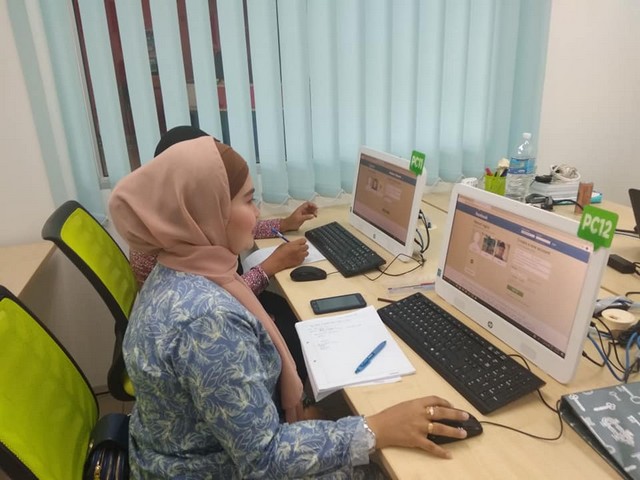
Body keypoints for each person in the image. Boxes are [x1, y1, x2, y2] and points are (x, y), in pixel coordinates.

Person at [109, 136, 471, 478]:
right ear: (208, 210)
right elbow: (264, 460)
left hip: (184, 451)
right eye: (248, 201)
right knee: (399, 467)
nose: (257, 212)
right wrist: (375, 428)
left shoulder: (177, 265)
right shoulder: (207, 321)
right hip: (213, 469)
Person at [129, 125, 317, 383]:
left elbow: (227, 222)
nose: (255, 212)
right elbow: (214, 298)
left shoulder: (170, 215)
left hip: (221, 303)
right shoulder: (205, 316)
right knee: (295, 330)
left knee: (286, 308)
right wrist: (270, 266)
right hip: (215, 321)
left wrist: (284, 224)